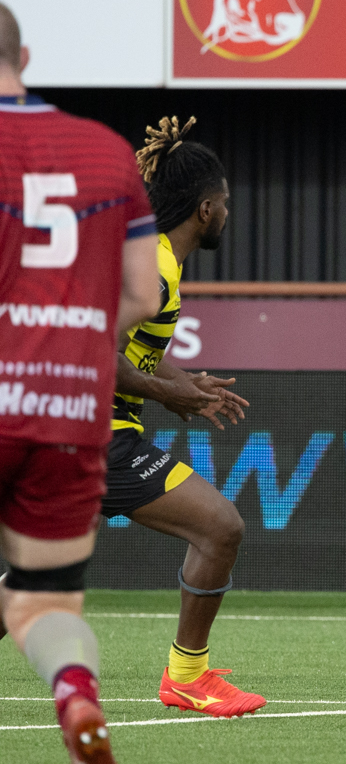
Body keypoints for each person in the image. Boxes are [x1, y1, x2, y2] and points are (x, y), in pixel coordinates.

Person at [0, 1, 161, 764]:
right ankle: (73, 692)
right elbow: (143, 291)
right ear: (23, 53)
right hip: (67, 407)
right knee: (42, 601)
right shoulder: (104, 151)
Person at [99, 116, 263, 718]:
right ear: (204, 208)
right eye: (223, 204)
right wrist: (165, 395)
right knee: (219, 526)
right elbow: (95, 345)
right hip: (95, 434)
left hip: (76, 431)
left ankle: (186, 675)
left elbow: (138, 346)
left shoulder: (158, 258)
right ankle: (187, 677)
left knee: (37, 576)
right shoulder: (156, 265)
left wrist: (182, 381)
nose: (226, 213)